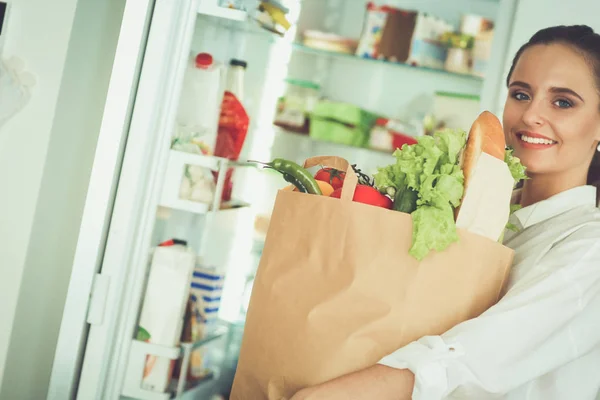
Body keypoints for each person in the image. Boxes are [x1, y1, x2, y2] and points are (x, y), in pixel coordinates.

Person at [291, 24, 600, 400]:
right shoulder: (475, 210)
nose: (531, 115)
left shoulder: (589, 249)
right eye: (521, 94)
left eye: (563, 102)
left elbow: (473, 358)